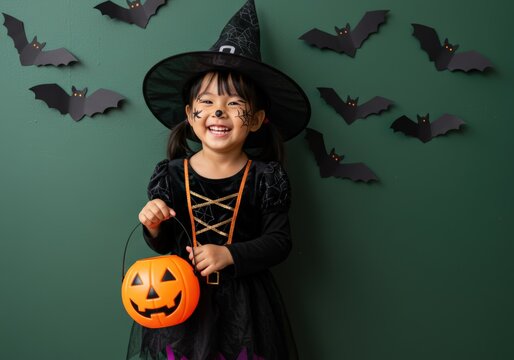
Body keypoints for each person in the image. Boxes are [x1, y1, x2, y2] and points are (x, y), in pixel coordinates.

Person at [126, 1, 310, 359]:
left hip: (247, 309)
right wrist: (153, 225)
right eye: (206, 102)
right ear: (190, 117)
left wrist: (229, 254)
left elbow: (279, 242)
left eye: (233, 102)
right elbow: (163, 245)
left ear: (256, 120)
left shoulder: (266, 177)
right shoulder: (171, 174)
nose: (218, 111)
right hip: (179, 306)